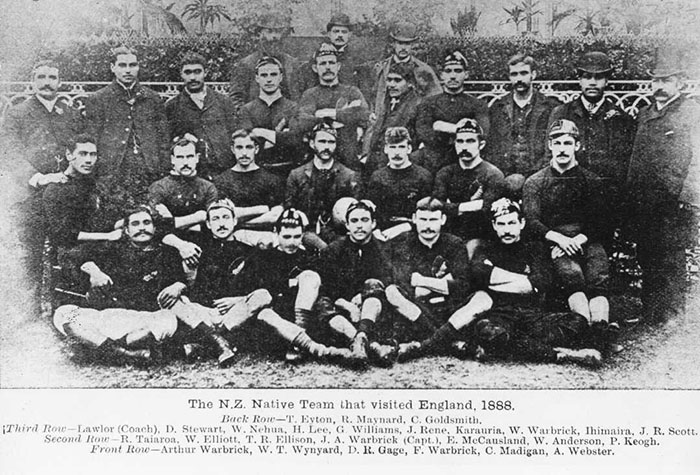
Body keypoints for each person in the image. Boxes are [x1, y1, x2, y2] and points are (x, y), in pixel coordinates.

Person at [398, 198, 602, 366]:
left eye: (512, 223)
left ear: (521, 223)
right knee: (488, 332)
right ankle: (561, 354)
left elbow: (540, 283)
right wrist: (524, 282)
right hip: (500, 314)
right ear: (494, 226)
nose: (507, 230)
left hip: (532, 315)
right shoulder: (484, 250)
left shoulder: (536, 249)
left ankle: (519, 346)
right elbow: (481, 277)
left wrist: (501, 279)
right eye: (501, 224)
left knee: (578, 324)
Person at [522, 119, 618, 353]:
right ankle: (583, 330)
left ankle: (600, 328)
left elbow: (601, 221)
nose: (562, 148)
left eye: (568, 142)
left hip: (586, 239)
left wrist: (579, 240)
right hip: (555, 243)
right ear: (550, 146)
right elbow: (532, 221)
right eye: (557, 143)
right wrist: (559, 239)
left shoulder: (592, 181)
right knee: (572, 275)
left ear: (577, 146)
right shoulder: (535, 181)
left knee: (598, 276)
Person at [625, 53, 700, 323]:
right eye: (655, 80)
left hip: (673, 199)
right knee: (647, 253)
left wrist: (689, 196)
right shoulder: (645, 112)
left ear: (679, 82)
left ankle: (673, 314)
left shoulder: (691, 112)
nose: (659, 86)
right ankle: (651, 312)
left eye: (666, 80)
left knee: (672, 256)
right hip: (645, 199)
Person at [2, 61, 82, 304]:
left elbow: (81, 147)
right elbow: (10, 151)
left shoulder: (70, 114)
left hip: (64, 191)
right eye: (42, 77)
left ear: (60, 82)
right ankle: (30, 310)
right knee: (32, 252)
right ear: (32, 80)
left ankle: (64, 307)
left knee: (66, 249)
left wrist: (69, 174)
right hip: (31, 194)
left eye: (52, 77)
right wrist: (37, 177)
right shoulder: (17, 113)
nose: (47, 82)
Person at [548, 51, 635, 244]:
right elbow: (551, 159)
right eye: (587, 76)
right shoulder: (562, 113)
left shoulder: (620, 118)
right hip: (566, 201)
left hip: (602, 205)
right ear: (579, 79)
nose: (593, 82)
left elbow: (622, 168)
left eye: (599, 77)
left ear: (607, 81)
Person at [82, 46, 170, 218]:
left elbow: (163, 139)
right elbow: (92, 139)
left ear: (138, 67)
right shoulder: (99, 99)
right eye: (122, 65)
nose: (128, 70)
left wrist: (162, 170)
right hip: (113, 172)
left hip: (148, 170)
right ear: (113, 67)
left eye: (132, 65)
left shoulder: (152, 98)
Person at [384, 197, 472, 349]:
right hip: (418, 309)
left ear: (443, 220)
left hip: (448, 307)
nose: (427, 226)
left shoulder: (455, 244)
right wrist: (444, 283)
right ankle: (446, 341)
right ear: (414, 219)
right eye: (423, 219)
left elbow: (462, 285)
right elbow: (406, 286)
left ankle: (431, 340)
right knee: (392, 292)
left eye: (433, 220)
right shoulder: (402, 244)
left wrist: (420, 280)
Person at [316, 200, 397, 365]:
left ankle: (360, 339)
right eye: (354, 221)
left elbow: (387, 280)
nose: (359, 226)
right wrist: (348, 305)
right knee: (323, 303)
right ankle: (367, 344)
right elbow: (328, 288)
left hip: (373, 311)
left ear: (373, 223)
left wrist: (362, 296)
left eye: (364, 220)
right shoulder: (333, 250)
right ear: (347, 225)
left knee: (374, 285)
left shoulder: (385, 249)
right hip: (343, 310)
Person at [488, 54, 562, 195]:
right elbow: (492, 147)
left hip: (540, 177)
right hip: (505, 178)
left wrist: (536, 176)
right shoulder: (498, 107)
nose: (519, 79)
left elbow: (553, 148)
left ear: (533, 74)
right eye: (514, 74)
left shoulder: (550, 107)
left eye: (524, 73)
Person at [433, 118, 505, 258]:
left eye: (470, 141)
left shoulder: (492, 174)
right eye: (460, 141)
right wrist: (470, 206)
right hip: (449, 233)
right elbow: (437, 205)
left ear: (481, 144)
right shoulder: (445, 173)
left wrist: (452, 207)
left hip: (481, 235)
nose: (464, 146)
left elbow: (488, 207)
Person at [285, 122, 361, 247]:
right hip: (304, 236)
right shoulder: (297, 175)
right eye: (322, 141)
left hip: (339, 238)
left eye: (331, 142)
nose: (327, 147)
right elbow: (290, 208)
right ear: (312, 144)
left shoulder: (349, 176)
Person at [414, 50, 490, 174]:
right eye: (448, 71)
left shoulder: (477, 104)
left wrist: (440, 126)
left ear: (466, 74)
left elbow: (482, 132)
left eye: (458, 71)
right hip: (435, 160)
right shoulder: (428, 103)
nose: (453, 76)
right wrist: (455, 129)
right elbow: (423, 132)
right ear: (441, 75)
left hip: (464, 159)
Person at [297, 44, 370, 171]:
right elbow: (303, 121)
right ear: (315, 68)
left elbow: (363, 114)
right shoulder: (310, 94)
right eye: (323, 63)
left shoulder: (352, 91)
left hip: (348, 158)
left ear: (338, 66)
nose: (327, 67)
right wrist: (344, 116)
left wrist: (326, 113)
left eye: (331, 62)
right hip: (320, 157)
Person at [165, 52, 238, 179]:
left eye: (197, 71)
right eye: (188, 72)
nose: (193, 77)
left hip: (224, 172)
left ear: (205, 72)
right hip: (192, 175)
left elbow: (234, 135)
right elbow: (167, 142)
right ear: (181, 74)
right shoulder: (172, 106)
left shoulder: (223, 102)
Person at [358, 22, 440, 119]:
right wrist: (371, 112)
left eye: (407, 43)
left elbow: (436, 97)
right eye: (400, 43)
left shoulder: (423, 70)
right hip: (383, 119)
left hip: (412, 119)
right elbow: (371, 94)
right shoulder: (381, 68)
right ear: (393, 44)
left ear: (412, 45)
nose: (403, 48)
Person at [235, 56, 302, 171]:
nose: (269, 80)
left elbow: (295, 140)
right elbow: (247, 143)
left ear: (281, 77)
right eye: (264, 75)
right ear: (257, 78)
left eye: (273, 74)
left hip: (287, 169)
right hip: (258, 171)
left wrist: (260, 132)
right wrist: (280, 138)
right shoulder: (247, 109)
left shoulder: (293, 107)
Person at [213, 129, 284, 232]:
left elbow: (274, 216)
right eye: (239, 148)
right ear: (233, 149)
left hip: (264, 236)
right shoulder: (221, 180)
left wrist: (236, 220)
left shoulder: (271, 179)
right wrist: (262, 209)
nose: (244, 153)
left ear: (256, 149)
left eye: (249, 147)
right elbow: (221, 216)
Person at [367, 127, 432, 237]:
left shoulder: (423, 176)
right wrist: (376, 231)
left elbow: (428, 213)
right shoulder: (377, 177)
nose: (397, 152)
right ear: (385, 149)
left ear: (409, 149)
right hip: (383, 233)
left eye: (401, 147)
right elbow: (373, 211)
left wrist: (405, 227)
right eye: (392, 147)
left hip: (414, 232)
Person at [147, 134, 218, 235]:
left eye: (189, 157)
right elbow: (157, 225)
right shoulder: (159, 187)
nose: (185, 163)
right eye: (180, 157)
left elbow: (214, 224)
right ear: (172, 159)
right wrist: (197, 218)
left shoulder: (208, 187)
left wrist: (172, 221)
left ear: (197, 158)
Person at [362, 62, 423, 178]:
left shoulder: (417, 104)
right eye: (389, 80)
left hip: (398, 164)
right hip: (376, 163)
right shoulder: (386, 101)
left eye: (397, 80)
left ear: (410, 83)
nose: (391, 84)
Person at [228, 12, 299, 110]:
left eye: (278, 31)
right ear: (260, 34)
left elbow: (299, 96)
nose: (274, 36)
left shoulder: (292, 63)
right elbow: (236, 98)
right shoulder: (247, 64)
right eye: (269, 31)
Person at [294, 13, 362, 94]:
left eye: (344, 32)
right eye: (336, 31)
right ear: (329, 34)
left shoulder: (356, 57)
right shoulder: (318, 53)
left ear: (349, 35)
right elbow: (308, 79)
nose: (340, 35)